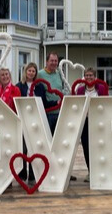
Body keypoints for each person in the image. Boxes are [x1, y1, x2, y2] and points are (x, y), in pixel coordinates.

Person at [36, 51, 76, 181]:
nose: (54, 63)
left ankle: (63, 172)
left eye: (55, 61)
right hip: (47, 114)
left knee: (61, 144)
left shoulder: (59, 73)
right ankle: (49, 172)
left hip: (60, 113)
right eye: (51, 61)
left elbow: (63, 88)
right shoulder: (40, 75)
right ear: (46, 62)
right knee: (48, 144)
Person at [74, 67, 108, 182]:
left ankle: (100, 171)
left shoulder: (101, 88)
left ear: (95, 77)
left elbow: (106, 103)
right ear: (84, 77)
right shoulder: (80, 90)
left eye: (91, 75)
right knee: (86, 146)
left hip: (98, 122)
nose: (89, 77)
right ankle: (90, 171)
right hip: (85, 121)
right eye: (87, 75)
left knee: (99, 146)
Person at [16, 62, 39, 183]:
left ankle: (33, 173)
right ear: (25, 72)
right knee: (23, 147)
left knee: (34, 147)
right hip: (23, 119)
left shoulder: (39, 86)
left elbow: (43, 102)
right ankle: (23, 172)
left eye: (33, 71)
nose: (31, 73)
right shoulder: (19, 85)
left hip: (36, 120)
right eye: (29, 70)